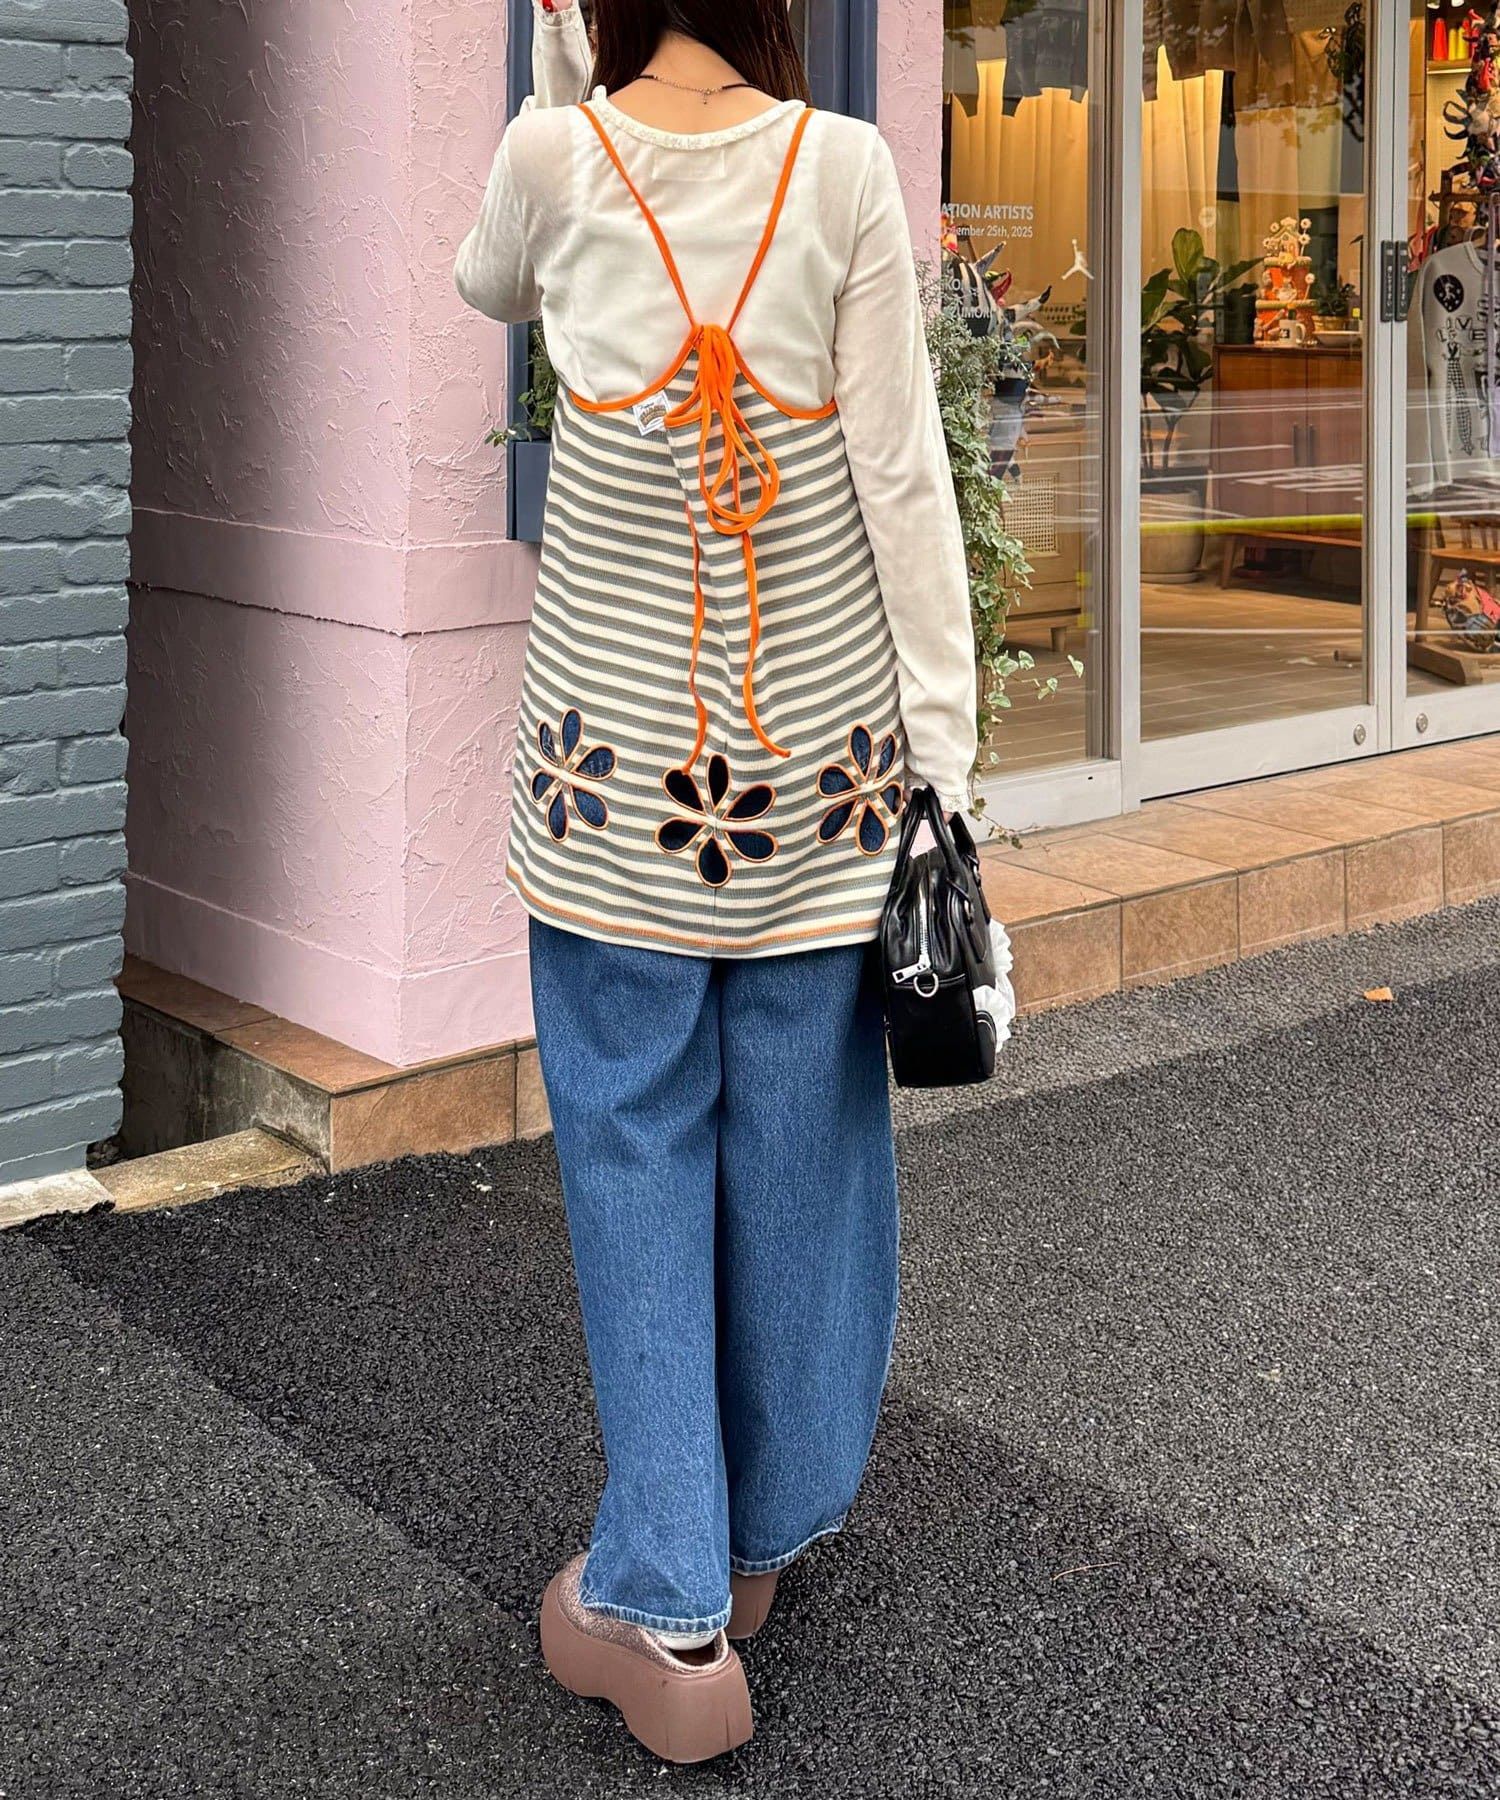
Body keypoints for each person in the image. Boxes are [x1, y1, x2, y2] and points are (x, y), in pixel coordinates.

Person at [453, 0, 978, 1763]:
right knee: (799, 1150)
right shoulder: (846, 169)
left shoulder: (555, 158)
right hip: (819, 789)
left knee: (632, 1152)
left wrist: (560, 88)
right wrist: (942, 758)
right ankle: (751, 1543)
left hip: (610, 793)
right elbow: (902, 473)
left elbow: (485, 283)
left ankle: (664, 1603)